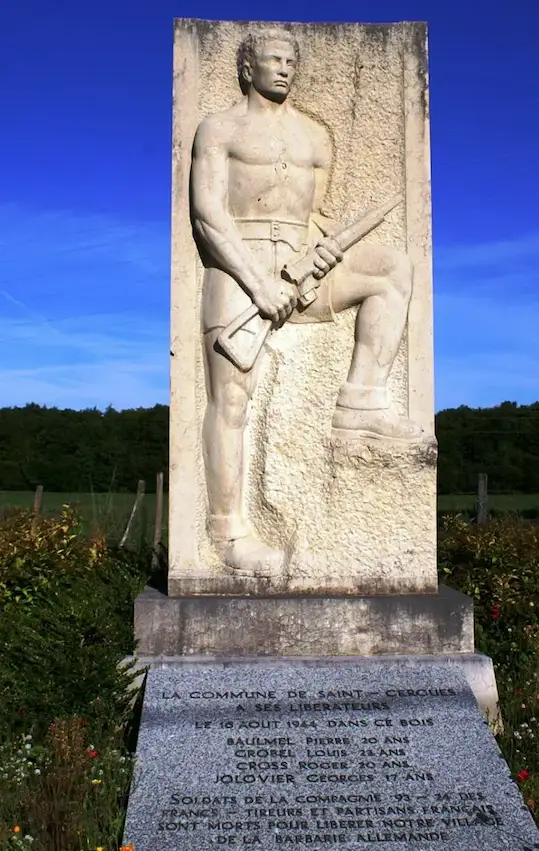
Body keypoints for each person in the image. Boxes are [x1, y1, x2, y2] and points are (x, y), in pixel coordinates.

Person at [189, 26, 423, 575]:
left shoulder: (315, 138)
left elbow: (308, 212)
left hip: (301, 267)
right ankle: (228, 534)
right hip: (237, 265)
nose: (285, 68)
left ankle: (362, 399)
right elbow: (207, 215)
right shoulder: (218, 128)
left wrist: (322, 254)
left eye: (290, 60)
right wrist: (257, 281)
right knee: (231, 401)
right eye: (273, 59)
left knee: (392, 269)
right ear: (247, 68)